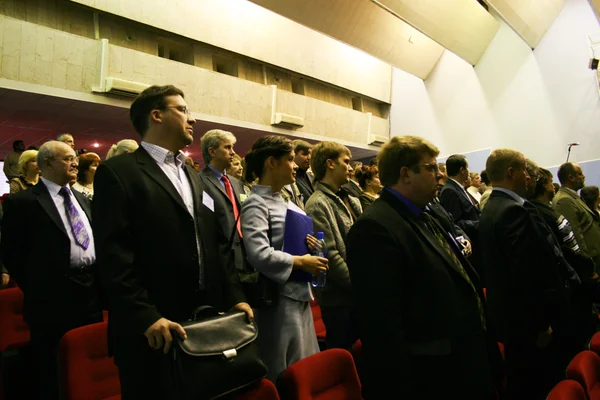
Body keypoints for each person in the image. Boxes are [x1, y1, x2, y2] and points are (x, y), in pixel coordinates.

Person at [92, 85, 251, 399]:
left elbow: (217, 243)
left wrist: (234, 295)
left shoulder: (194, 177)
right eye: (182, 109)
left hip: (202, 321)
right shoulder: (118, 172)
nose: (191, 119)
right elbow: (114, 255)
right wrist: (145, 316)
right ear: (157, 115)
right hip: (154, 328)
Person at [347, 136, 499, 400]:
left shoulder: (424, 214)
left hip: (464, 360)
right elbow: (383, 328)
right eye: (431, 168)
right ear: (406, 174)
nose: (440, 175)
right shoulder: (375, 228)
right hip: (434, 376)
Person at [1, 141, 103, 399]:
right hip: (50, 296)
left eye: (75, 159)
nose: (75, 163)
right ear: (47, 163)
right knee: (51, 365)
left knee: (84, 358)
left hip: (89, 289)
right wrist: (37, 285)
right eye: (67, 158)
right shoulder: (22, 202)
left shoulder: (81, 198)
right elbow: (12, 252)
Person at [479, 149, 571, 399]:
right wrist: (542, 323)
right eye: (525, 171)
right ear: (511, 173)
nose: (529, 177)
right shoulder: (511, 211)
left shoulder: (493, 207)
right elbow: (526, 274)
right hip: (528, 325)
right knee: (540, 384)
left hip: (513, 322)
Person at [241, 135, 328, 382]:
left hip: (299, 293)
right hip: (277, 301)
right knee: (283, 368)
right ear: (272, 162)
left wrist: (315, 247)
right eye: (290, 159)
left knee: (304, 365)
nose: (296, 166)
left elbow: (302, 241)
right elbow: (258, 253)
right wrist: (300, 262)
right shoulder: (255, 204)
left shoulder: (287, 201)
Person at [304, 141, 361, 350]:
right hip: (339, 299)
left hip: (354, 292)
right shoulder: (317, 203)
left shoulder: (348, 198)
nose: (350, 167)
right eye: (345, 162)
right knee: (345, 350)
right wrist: (360, 286)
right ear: (330, 164)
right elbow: (330, 254)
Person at [199, 129, 247, 277]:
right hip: (219, 259)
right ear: (212, 152)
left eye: (232, 147)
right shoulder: (199, 181)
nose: (232, 152)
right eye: (227, 147)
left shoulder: (236, 183)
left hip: (245, 255)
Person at [553, 163, 600, 272]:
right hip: (589, 263)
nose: (583, 177)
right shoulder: (564, 200)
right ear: (571, 178)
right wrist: (587, 267)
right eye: (580, 174)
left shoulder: (572, 196)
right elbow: (575, 235)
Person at [291, 139, 314, 205]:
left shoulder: (312, 178)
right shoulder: (289, 179)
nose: (309, 157)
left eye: (310, 154)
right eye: (305, 154)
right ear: (293, 155)